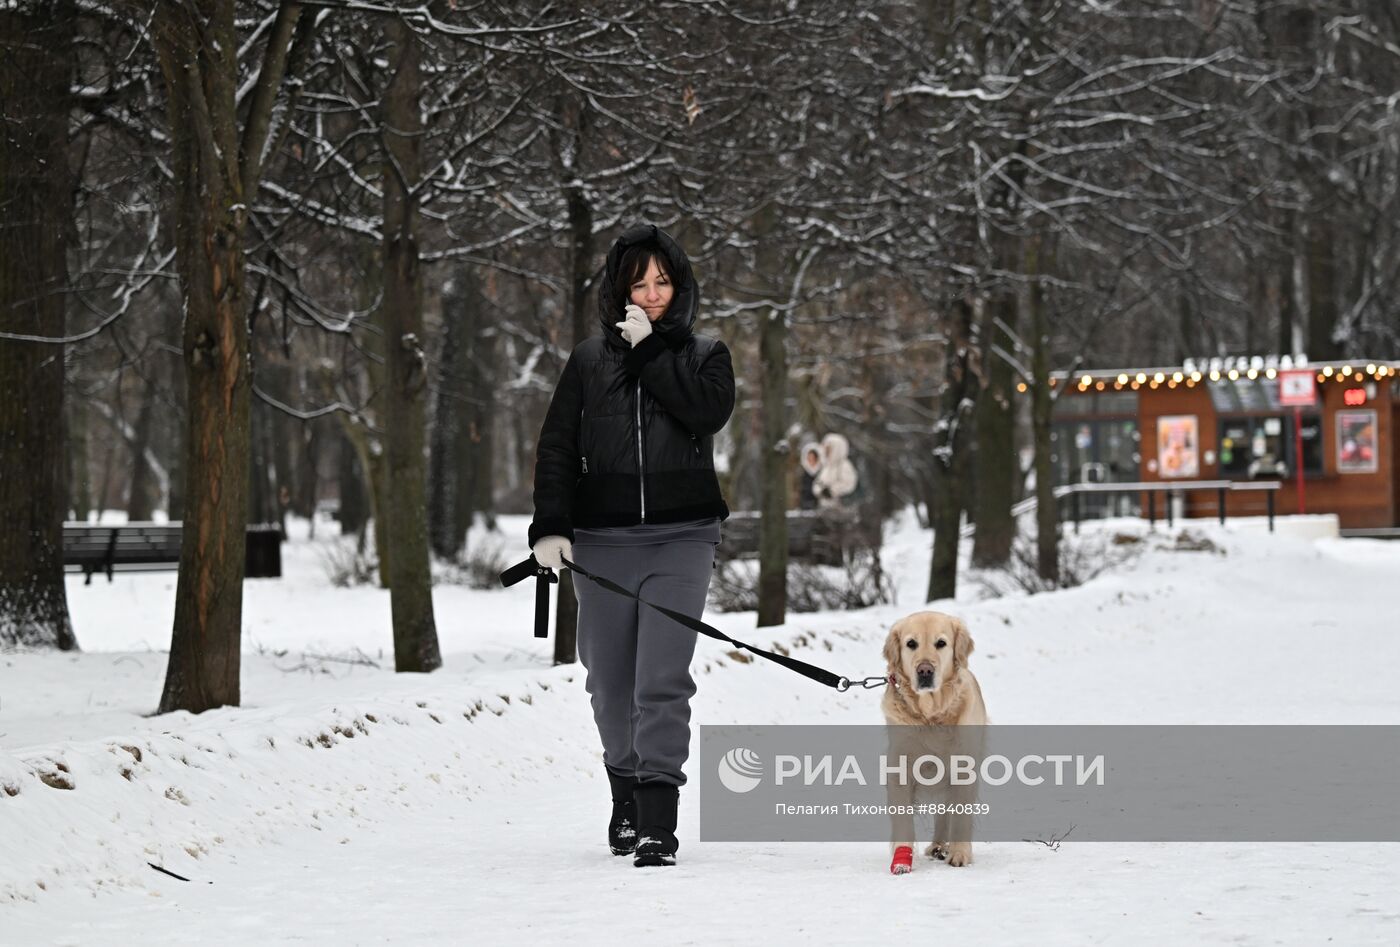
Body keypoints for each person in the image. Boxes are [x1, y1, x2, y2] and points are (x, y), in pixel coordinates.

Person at [528, 223, 735, 868]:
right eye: (639, 283)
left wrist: (650, 355)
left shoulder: (706, 355)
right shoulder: (589, 360)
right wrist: (551, 527)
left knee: (661, 682)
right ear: (619, 290)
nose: (651, 295)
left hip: (682, 539)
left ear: (680, 286)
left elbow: (705, 413)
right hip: (604, 543)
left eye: (663, 282)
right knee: (609, 684)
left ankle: (656, 821)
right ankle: (625, 792)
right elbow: (558, 445)